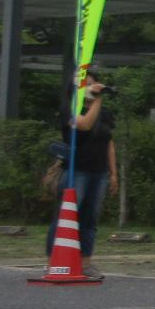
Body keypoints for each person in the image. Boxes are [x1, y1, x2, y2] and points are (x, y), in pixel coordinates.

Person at [48, 80, 116, 281]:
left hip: (99, 170)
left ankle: (86, 262)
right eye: (89, 84)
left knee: (90, 217)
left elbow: (109, 143)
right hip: (77, 170)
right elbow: (84, 125)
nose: (94, 87)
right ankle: (53, 259)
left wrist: (113, 173)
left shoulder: (104, 113)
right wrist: (97, 101)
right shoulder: (69, 111)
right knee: (66, 215)